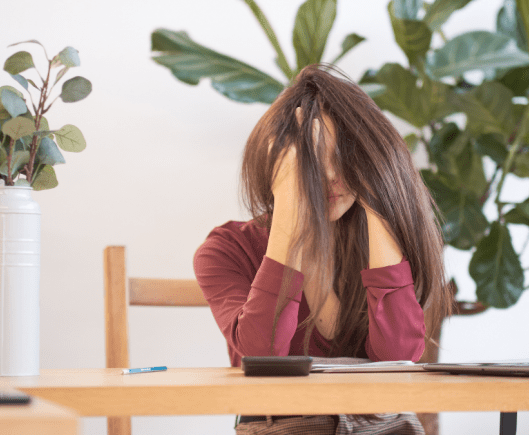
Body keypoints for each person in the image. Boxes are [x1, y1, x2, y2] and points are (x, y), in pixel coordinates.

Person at [193, 64, 452, 435]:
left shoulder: (384, 244)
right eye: (313, 159)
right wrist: (289, 211)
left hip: (383, 426)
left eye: (346, 158)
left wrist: (381, 203)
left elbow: (397, 361)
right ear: (276, 166)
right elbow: (261, 358)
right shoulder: (226, 250)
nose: (331, 175)